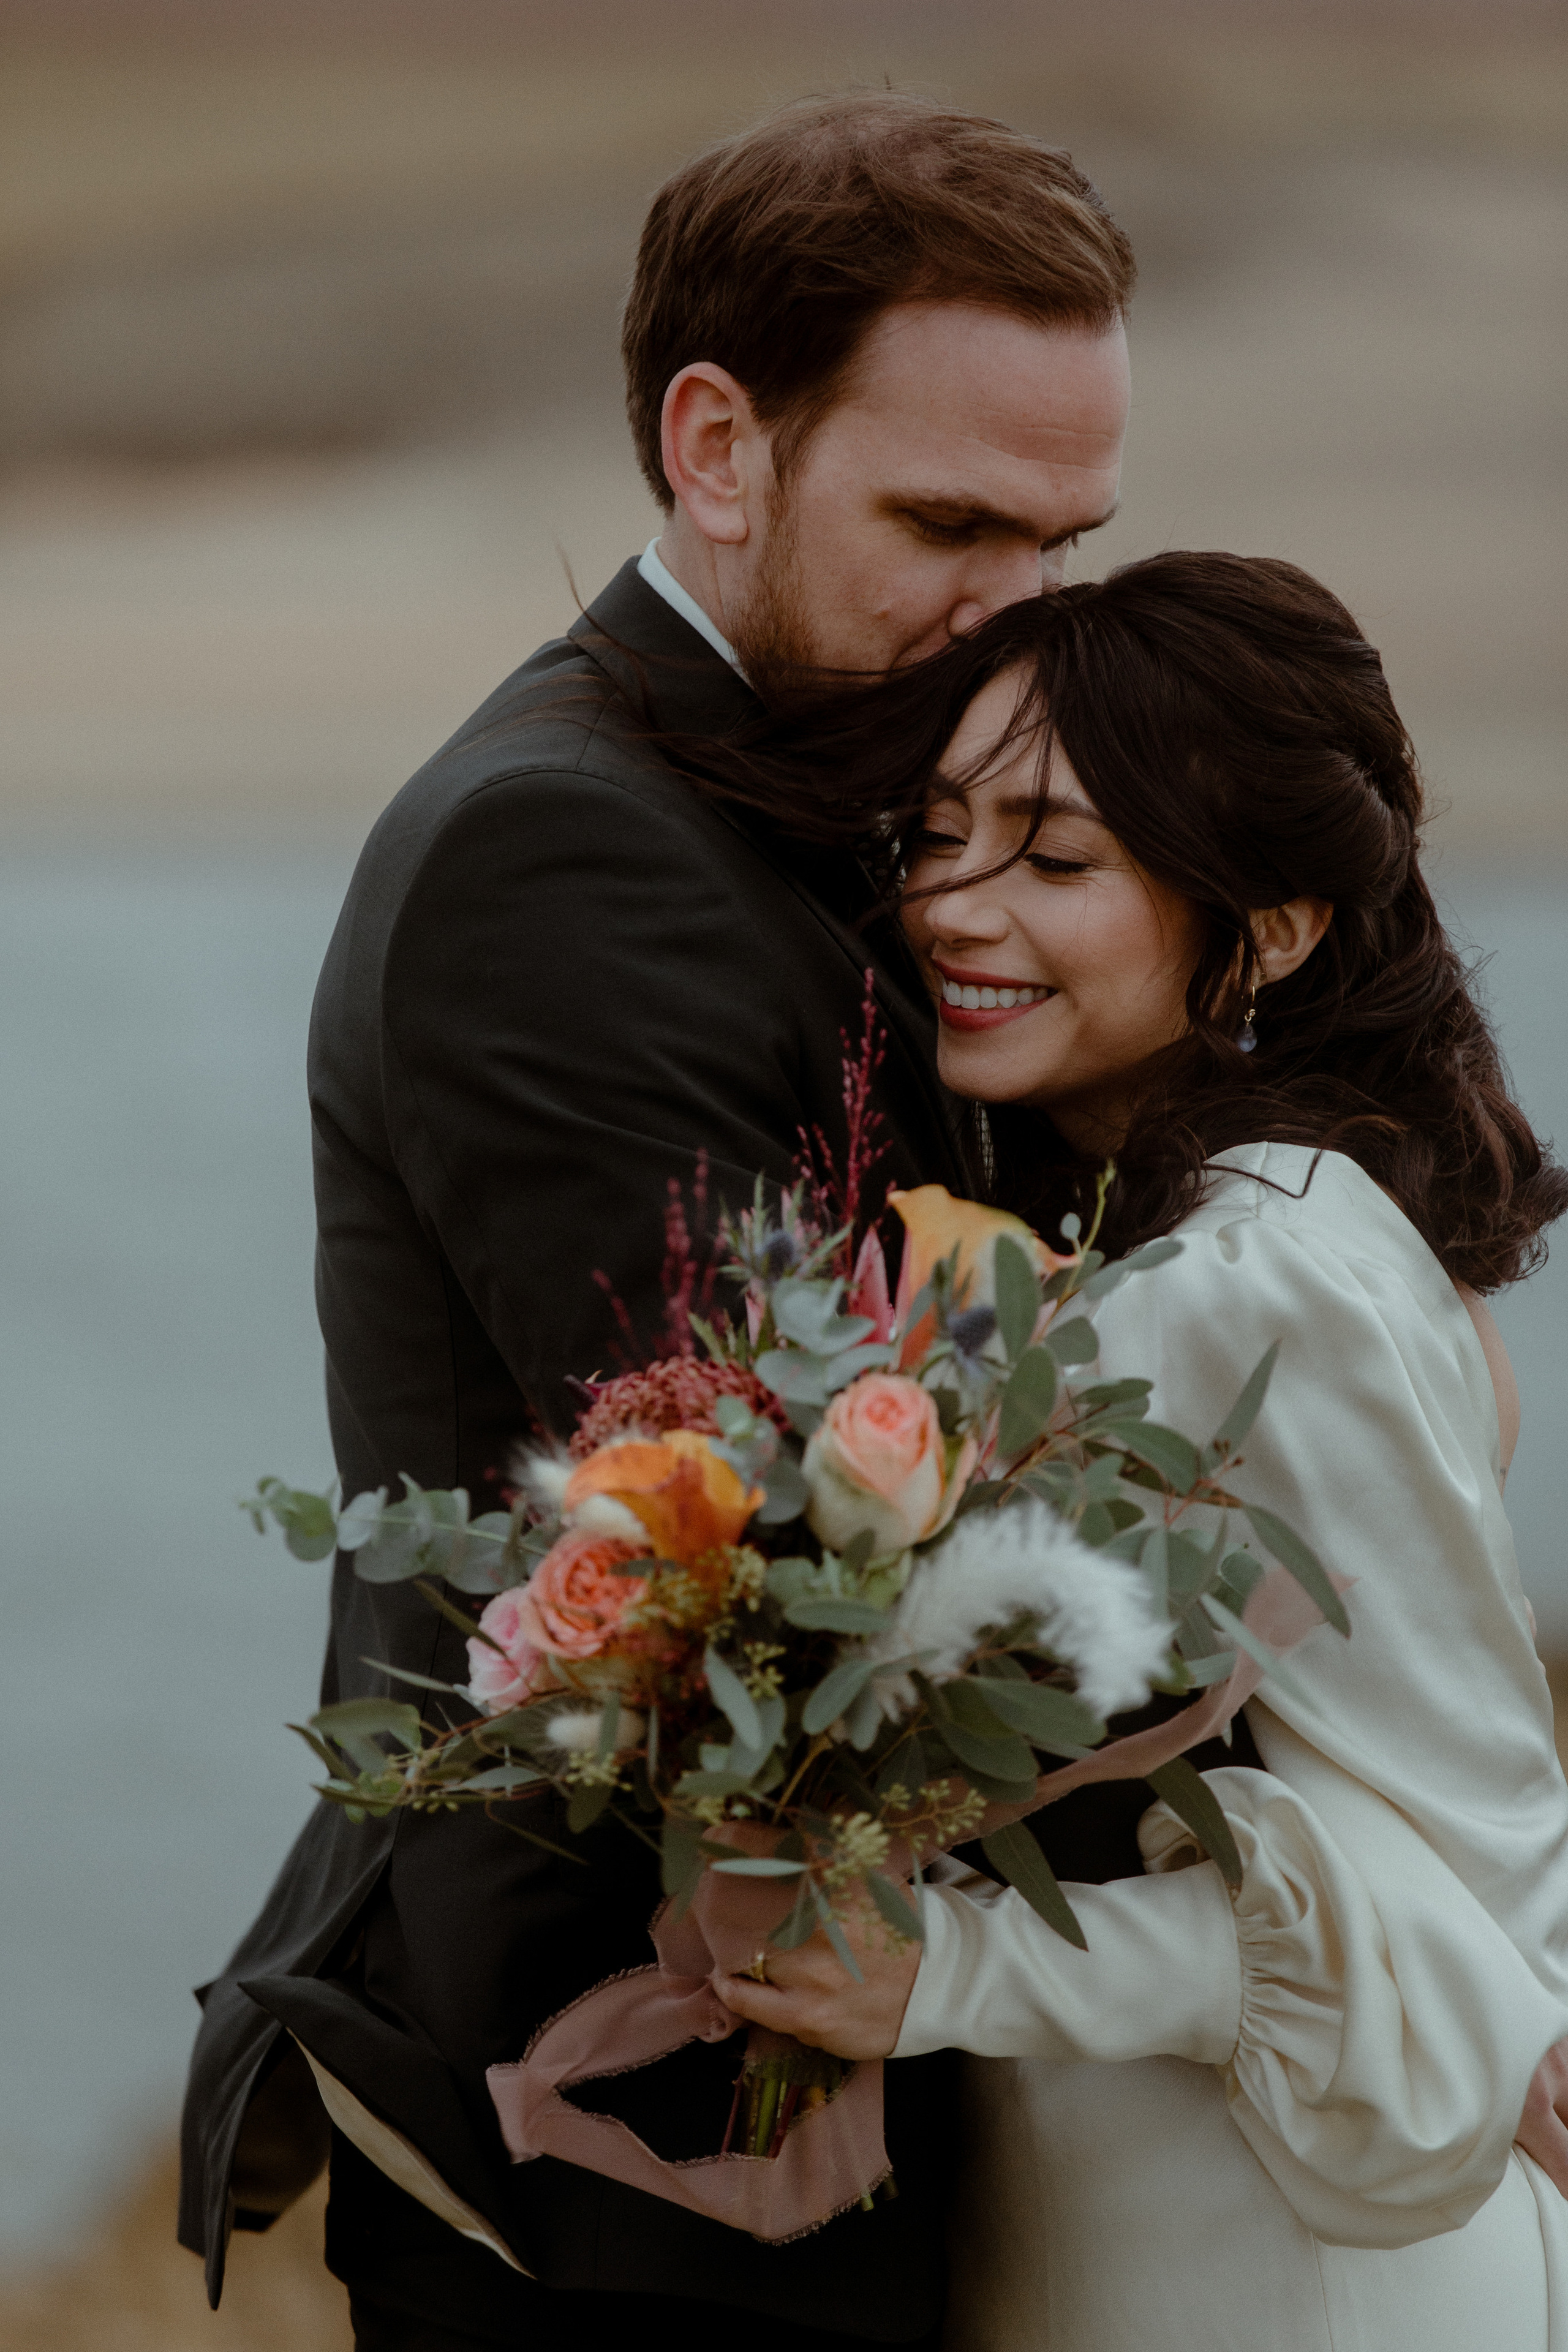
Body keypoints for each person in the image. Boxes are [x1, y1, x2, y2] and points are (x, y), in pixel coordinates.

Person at [176, 92, 1134, 2351]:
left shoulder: (848, 786)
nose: (1022, 619)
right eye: (949, 525)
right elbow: (799, 1555)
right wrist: (1371, 1954)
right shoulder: (560, 857)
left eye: (1065, 546)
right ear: (718, 445)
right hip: (628, 2155)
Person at [715, 551, 1568, 2350]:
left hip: (1287, 2252)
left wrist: (948, 1967)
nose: (953, 903)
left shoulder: (1256, 1279)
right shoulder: (1155, 1242)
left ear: (1266, 926)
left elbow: (1453, 1873)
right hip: (1141, 2214)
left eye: (1057, 855)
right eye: (938, 835)